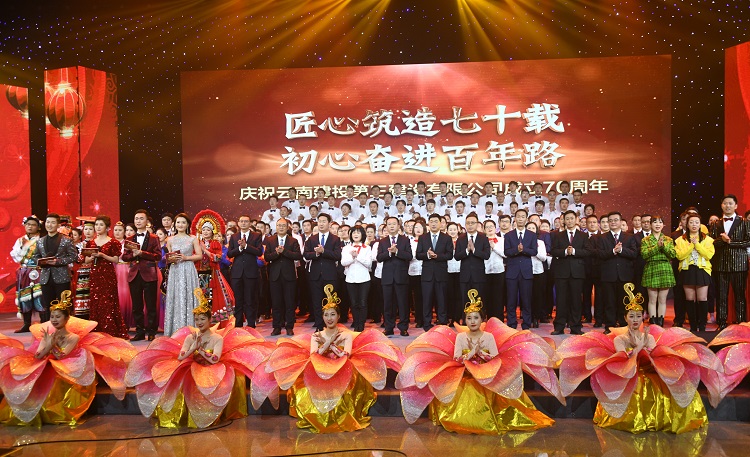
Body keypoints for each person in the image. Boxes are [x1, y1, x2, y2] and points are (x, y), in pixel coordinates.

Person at [558, 284, 721, 433]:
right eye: (631, 316)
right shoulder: (620, 339)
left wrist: (643, 345)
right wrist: (638, 347)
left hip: (648, 372)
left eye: (638, 316)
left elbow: (654, 357)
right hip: (627, 375)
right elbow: (622, 359)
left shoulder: (648, 337)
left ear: (642, 318)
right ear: (625, 318)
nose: (635, 320)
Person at [397, 289, 563, 434]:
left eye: (476, 318)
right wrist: (470, 354)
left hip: (488, 372)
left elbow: (495, 357)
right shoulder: (461, 337)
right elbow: (457, 358)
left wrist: (480, 354)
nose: (472, 321)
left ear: (482, 320)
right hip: (467, 373)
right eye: (469, 318)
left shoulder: (488, 337)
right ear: (465, 320)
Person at [253, 286, 402, 433]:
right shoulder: (316, 336)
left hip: (341, 368)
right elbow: (314, 355)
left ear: (338, 316)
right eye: (326, 315)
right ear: (322, 317)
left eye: (332, 314)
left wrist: (328, 346)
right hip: (320, 369)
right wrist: (329, 343)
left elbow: (346, 355)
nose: (329, 318)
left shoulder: (345, 335)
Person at [126, 290, 271, 428]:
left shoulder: (217, 338)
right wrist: (193, 348)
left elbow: (215, 360)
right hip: (192, 363)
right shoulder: (191, 337)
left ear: (209, 320)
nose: (199, 322)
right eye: (197, 320)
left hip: (211, 368)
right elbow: (180, 356)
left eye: (202, 319)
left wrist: (200, 350)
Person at [0, 291, 136, 425]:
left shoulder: (73, 337)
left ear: (66, 319)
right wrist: (47, 345)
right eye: (52, 317)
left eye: (58, 317)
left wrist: (52, 346)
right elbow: (38, 356)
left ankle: (58, 412)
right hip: (49, 363)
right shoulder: (47, 335)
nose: (54, 320)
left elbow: (61, 356)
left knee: (59, 380)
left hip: (69, 366)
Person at [709, 194, 750, 330]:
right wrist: (722, 241)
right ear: (721, 205)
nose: (727, 206)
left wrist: (730, 242)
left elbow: (748, 241)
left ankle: (741, 324)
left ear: (736, 206)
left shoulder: (745, 222)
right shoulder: (715, 224)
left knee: (740, 295)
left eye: (730, 203)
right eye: (725, 203)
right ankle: (721, 324)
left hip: (739, 265)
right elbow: (711, 242)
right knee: (721, 296)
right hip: (720, 264)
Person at [85, 215, 130, 339]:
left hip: (108, 275)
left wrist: (102, 255)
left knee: (108, 302)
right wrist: (92, 256)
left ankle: (111, 331)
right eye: (96, 225)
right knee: (95, 301)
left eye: (101, 225)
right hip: (95, 274)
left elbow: (115, 259)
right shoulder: (91, 242)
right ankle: (96, 331)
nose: (98, 227)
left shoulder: (113, 242)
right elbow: (86, 260)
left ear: (107, 228)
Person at [122, 210, 163, 341]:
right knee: (137, 306)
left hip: (149, 274)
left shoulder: (154, 238)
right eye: (136, 219)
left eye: (141, 218)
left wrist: (141, 253)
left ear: (147, 222)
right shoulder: (129, 239)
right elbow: (124, 257)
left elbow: (158, 256)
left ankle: (151, 331)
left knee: (151, 305)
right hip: (134, 274)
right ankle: (139, 332)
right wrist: (132, 255)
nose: (138, 221)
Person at [193, 210, 235, 327]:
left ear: (212, 232)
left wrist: (205, 250)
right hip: (198, 274)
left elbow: (217, 258)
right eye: (203, 230)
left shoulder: (215, 243)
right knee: (200, 298)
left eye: (208, 230)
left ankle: (214, 323)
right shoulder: (196, 243)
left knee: (213, 298)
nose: (205, 232)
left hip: (212, 275)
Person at [32, 213, 77, 323]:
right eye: (48, 222)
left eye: (53, 222)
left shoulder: (66, 240)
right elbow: (35, 256)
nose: (49, 225)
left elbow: (74, 256)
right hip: (45, 278)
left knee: (64, 305)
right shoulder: (40, 241)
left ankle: (65, 328)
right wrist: (40, 262)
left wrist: (58, 261)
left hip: (62, 277)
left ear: (58, 225)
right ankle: (49, 329)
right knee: (48, 305)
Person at [597, 211, 638, 334]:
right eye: (610, 220)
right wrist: (613, 251)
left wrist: (621, 250)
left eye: (615, 220)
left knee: (624, 302)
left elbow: (634, 253)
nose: (613, 222)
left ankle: (624, 325)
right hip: (608, 275)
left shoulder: (629, 237)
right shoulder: (602, 237)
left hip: (625, 275)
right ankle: (609, 326)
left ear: (621, 222)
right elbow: (599, 254)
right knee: (609, 302)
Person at [550, 210, 589, 335]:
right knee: (561, 300)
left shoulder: (583, 236)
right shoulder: (557, 235)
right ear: (563, 221)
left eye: (572, 218)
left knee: (576, 301)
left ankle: (576, 327)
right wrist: (565, 252)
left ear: (576, 219)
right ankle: (559, 326)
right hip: (561, 272)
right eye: (567, 219)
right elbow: (553, 251)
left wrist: (575, 251)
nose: (570, 221)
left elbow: (587, 251)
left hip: (577, 272)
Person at [164, 213, 203, 336]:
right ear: (174, 224)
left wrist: (186, 257)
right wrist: (170, 259)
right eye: (178, 222)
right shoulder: (170, 239)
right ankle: (175, 330)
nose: (180, 225)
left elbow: (200, 255)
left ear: (187, 225)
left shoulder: (192, 238)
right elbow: (168, 256)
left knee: (189, 296)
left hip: (188, 269)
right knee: (176, 296)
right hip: (175, 270)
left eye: (183, 222)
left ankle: (191, 329)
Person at [676, 213, 715, 332]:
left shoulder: (708, 239)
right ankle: (693, 326)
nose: (694, 225)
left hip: (702, 270)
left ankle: (702, 325)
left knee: (702, 298)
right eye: (691, 222)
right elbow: (679, 255)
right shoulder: (680, 240)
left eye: (697, 222)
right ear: (687, 224)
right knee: (690, 298)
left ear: (700, 224)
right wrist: (690, 246)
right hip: (687, 270)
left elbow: (708, 255)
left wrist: (697, 244)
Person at [264, 217, 303, 335]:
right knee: (276, 303)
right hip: (275, 276)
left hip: (289, 276)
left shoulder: (293, 241)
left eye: (283, 225)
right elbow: (267, 257)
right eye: (279, 225)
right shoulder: (270, 240)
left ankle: (289, 326)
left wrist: (284, 251)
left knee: (290, 302)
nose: (281, 227)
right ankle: (276, 327)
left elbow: (297, 256)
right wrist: (276, 253)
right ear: (276, 227)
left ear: (287, 227)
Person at [304, 213, 342, 331]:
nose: (321, 223)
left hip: (330, 275)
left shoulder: (335, 239)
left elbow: (337, 255)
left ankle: (331, 326)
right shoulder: (311, 239)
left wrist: (324, 251)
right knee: (316, 301)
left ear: (329, 224)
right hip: (315, 275)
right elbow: (305, 254)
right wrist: (316, 254)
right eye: (319, 221)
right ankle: (319, 326)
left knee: (330, 302)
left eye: (324, 221)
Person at [417, 214, 454, 329]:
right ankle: (427, 324)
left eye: (436, 221)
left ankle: (442, 323)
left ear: (440, 223)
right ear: (428, 223)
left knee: (442, 300)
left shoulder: (446, 238)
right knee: (427, 301)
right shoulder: (423, 238)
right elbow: (418, 255)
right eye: (431, 221)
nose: (433, 224)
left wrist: (437, 256)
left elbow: (449, 255)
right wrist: (427, 255)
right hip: (427, 275)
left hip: (441, 274)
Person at [377, 216, 413, 336]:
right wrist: (389, 253)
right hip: (387, 277)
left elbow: (409, 256)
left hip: (401, 277)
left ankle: (403, 327)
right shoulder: (382, 241)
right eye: (389, 224)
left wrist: (397, 252)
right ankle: (389, 327)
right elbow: (379, 257)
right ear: (386, 226)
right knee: (388, 304)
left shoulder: (405, 240)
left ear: (398, 226)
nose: (391, 226)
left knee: (403, 304)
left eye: (394, 224)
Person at [227, 214, 264, 328]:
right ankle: (238, 326)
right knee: (238, 300)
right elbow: (230, 253)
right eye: (241, 221)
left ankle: (251, 325)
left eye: (246, 221)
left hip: (251, 272)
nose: (243, 223)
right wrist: (240, 248)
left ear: (250, 223)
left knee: (250, 300)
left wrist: (246, 246)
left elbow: (259, 252)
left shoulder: (256, 236)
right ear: (238, 223)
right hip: (237, 273)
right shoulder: (234, 237)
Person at [454, 213, 491, 324]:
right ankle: (466, 322)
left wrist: (474, 250)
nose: (470, 225)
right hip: (465, 276)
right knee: (465, 300)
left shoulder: (483, 237)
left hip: (478, 275)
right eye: (468, 223)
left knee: (479, 300)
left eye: (472, 223)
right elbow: (456, 256)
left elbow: (486, 255)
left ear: (477, 224)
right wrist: (466, 250)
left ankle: (480, 321)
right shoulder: (461, 238)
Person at [504, 209, 537, 330]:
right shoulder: (509, 235)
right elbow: (506, 252)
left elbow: (534, 251)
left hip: (526, 272)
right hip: (512, 272)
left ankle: (526, 324)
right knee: (511, 300)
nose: (520, 219)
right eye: (518, 216)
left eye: (523, 217)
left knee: (526, 300)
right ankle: (511, 324)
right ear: (515, 219)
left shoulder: (532, 235)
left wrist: (523, 250)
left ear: (526, 219)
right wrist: (516, 250)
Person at [640, 215, 676, 327]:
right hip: (651, 268)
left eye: (660, 222)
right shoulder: (645, 240)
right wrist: (657, 247)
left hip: (664, 268)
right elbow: (644, 255)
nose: (657, 224)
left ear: (663, 225)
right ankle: (653, 322)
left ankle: (660, 322)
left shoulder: (668, 240)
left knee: (662, 299)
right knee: (652, 299)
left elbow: (673, 254)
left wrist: (663, 246)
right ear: (650, 224)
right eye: (655, 222)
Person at [10, 215, 43, 332]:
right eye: (28, 224)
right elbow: (16, 257)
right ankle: (26, 323)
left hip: (37, 271)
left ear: (38, 227)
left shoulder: (41, 240)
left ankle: (44, 322)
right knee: (24, 297)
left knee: (39, 296)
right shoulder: (20, 240)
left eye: (33, 225)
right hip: (24, 271)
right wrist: (22, 246)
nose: (30, 227)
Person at [341, 226, 372, 332]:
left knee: (363, 302)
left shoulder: (367, 248)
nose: (356, 234)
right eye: (354, 232)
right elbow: (343, 262)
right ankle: (356, 323)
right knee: (354, 303)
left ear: (362, 235)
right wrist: (352, 257)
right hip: (350, 279)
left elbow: (369, 263)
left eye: (358, 232)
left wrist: (357, 256)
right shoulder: (346, 248)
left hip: (364, 278)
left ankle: (361, 324)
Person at [113, 221, 134, 330]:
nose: (117, 232)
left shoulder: (127, 244)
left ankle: (125, 322)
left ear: (124, 232)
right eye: (115, 230)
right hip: (112, 269)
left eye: (120, 230)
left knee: (124, 295)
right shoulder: (110, 242)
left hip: (124, 269)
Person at [408, 220, 426, 328]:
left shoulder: (427, 240)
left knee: (426, 296)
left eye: (420, 227)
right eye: (416, 227)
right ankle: (419, 319)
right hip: (413, 272)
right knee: (417, 297)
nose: (418, 229)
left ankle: (426, 318)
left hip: (426, 271)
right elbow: (409, 256)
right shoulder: (409, 242)